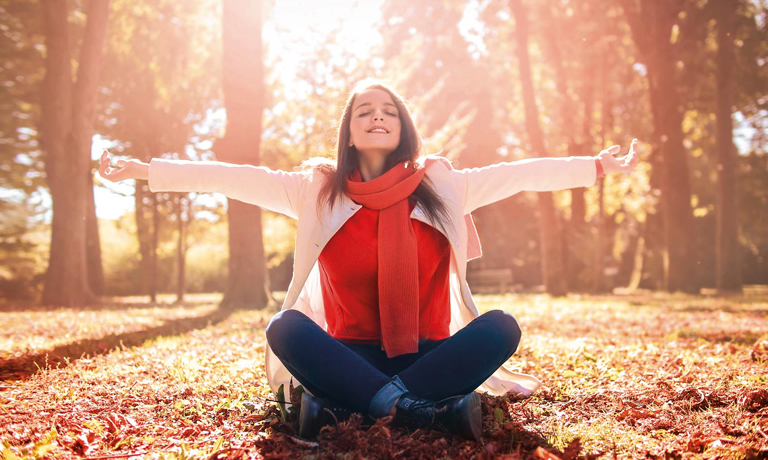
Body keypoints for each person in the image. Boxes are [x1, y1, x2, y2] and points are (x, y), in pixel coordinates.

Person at [99, 80, 640, 442]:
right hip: (346, 353)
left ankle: (345, 408)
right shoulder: (315, 190)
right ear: (349, 129)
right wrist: (144, 171)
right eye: (365, 111)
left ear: (403, 126)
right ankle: (421, 410)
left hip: (427, 352)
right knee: (284, 327)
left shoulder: (443, 185)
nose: (378, 117)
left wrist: (595, 167)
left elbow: (521, 172)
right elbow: (228, 177)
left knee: (500, 328)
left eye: (389, 111)